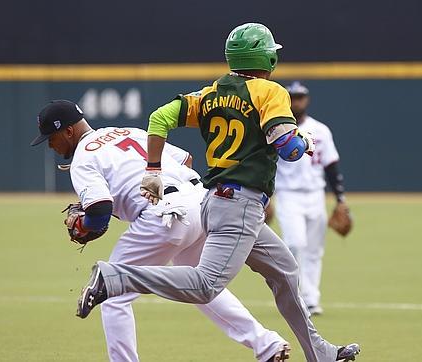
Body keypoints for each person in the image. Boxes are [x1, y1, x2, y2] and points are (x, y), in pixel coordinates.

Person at [75, 23, 361, 362]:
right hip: (239, 203)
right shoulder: (270, 92)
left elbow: (159, 117)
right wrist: (303, 141)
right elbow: (287, 147)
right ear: (267, 56)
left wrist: (153, 169)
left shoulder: (211, 94)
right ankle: (116, 277)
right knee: (205, 285)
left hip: (219, 201)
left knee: (285, 271)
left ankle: (320, 353)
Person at [30, 100, 291, 362]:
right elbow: (185, 158)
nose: (51, 145)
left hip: (164, 217)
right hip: (202, 205)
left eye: (51, 138)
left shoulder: (83, 158)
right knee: (201, 286)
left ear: (68, 131)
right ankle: (267, 344)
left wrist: (84, 225)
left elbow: (99, 211)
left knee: (112, 291)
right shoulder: (129, 132)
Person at [272, 81, 350, 316]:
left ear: (306, 100)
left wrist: (340, 198)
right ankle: (293, 295)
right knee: (295, 244)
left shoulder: (321, 130)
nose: (297, 101)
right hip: (287, 195)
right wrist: (266, 197)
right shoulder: (277, 128)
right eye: (293, 97)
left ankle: (312, 298)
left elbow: (331, 165)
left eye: (301, 97)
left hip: (316, 195)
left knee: (314, 250)